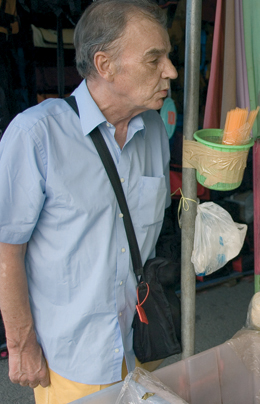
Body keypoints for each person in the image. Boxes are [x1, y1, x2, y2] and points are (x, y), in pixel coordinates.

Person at [0, 0, 177, 402]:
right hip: (72, 360)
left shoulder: (153, 131)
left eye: (168, 56)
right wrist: (21, 344)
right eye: (155, 59)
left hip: (143, 348)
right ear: (105, 64)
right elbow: (6, 251)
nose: (170, 71)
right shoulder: (35, 136)